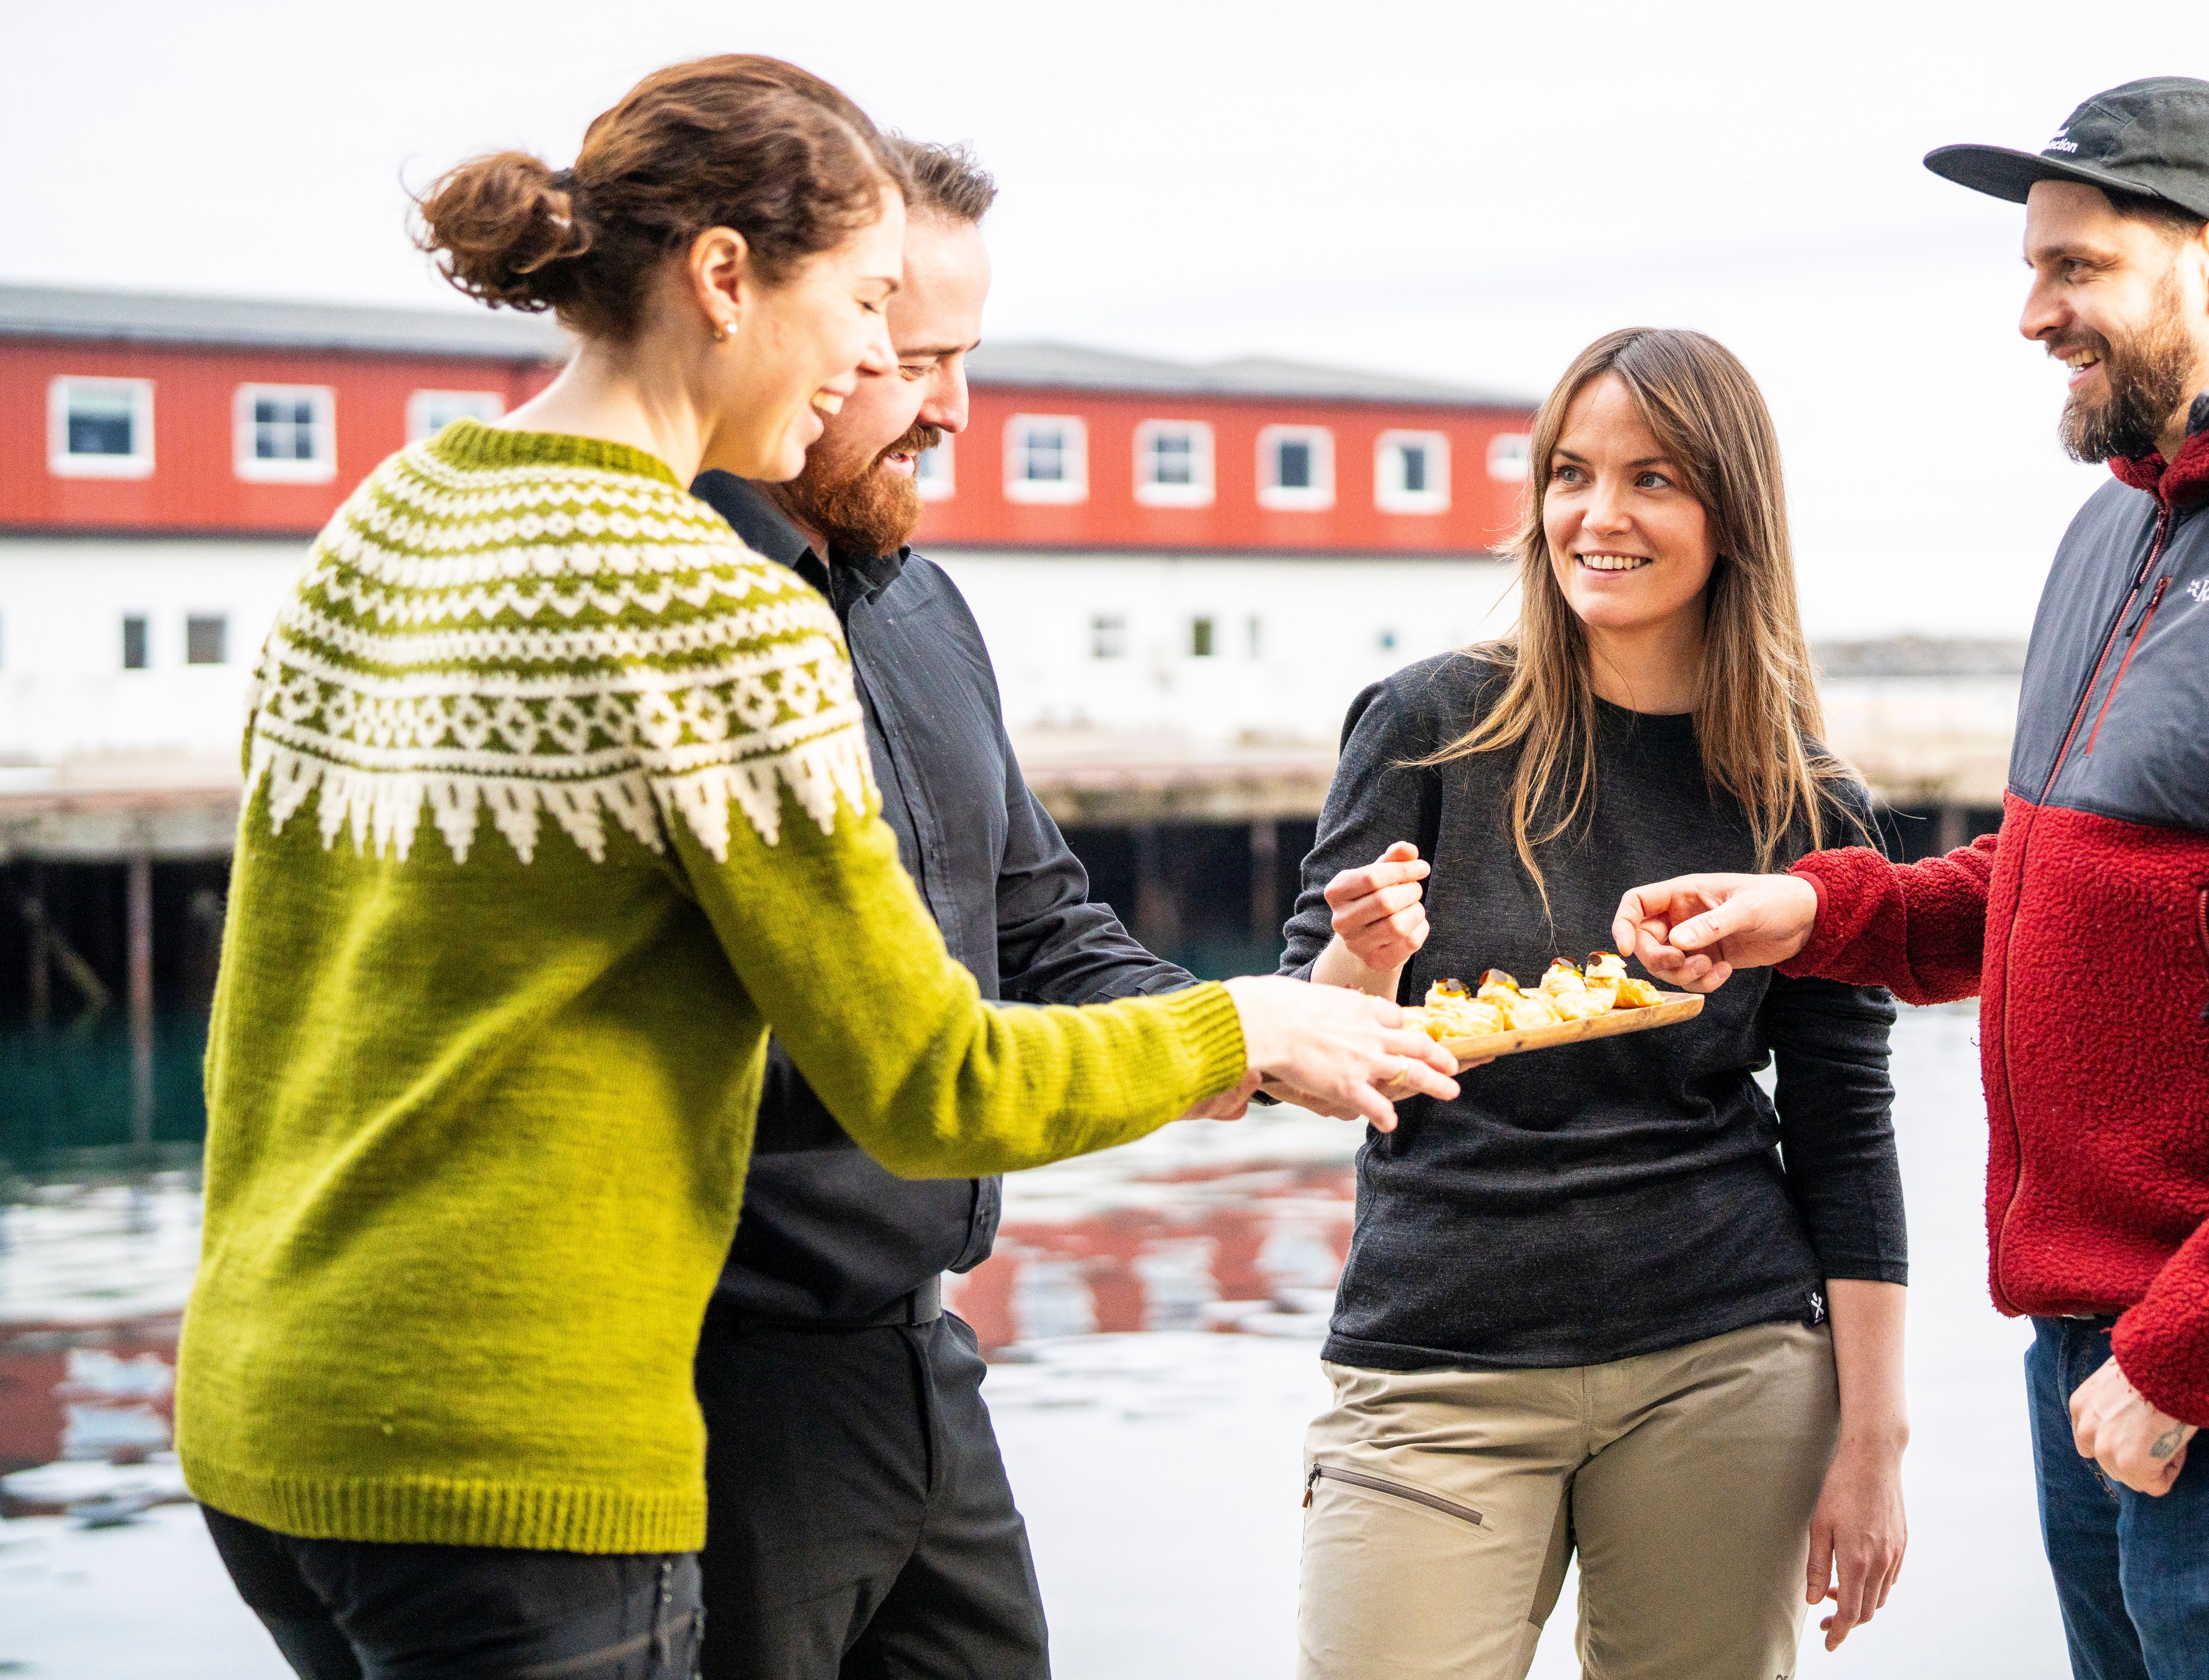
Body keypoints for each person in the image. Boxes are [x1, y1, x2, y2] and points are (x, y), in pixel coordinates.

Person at [178, 56, 1454, 1680]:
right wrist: (1247, 1028)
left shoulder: (382, 523)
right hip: (524, 1440)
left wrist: (1264, 1021)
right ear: (725, 279)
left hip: (274, 1411)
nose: (884, 361)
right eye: (871, 310)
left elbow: (263, 1018)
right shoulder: (706, 601)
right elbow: (925, 1082)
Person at [1613, 77, 2209, 1680]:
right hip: (2106, 1340)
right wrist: (1823, 913)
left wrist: (2192, 1355)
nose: (2033, 314)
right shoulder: (2115, 535)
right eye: (2030, 268)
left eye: (2075, 270)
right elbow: (2050, 885)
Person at [1282, 327, 1910, 1680]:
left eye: (1655, 480)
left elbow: (1847, 1132)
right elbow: (1303, 1042)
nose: (1599, 516)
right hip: (1438, 1356)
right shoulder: (1427, 725)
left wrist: (1872, 1445)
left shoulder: (1808, 805)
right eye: (1571, 473)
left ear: (1731, 517)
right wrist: (1367, 962)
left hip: (1726, 1359)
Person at [681, 136, 1208, 1680]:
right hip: (717, 1384)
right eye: (912, 359)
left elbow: (1039, 926)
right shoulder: (669, 611)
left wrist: (1254, 1033)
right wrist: (1219, 1037)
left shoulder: (919, 602)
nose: (955, 410)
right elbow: (832, 1055)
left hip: (920, 1355)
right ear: (797, 327)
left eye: (963, 360)